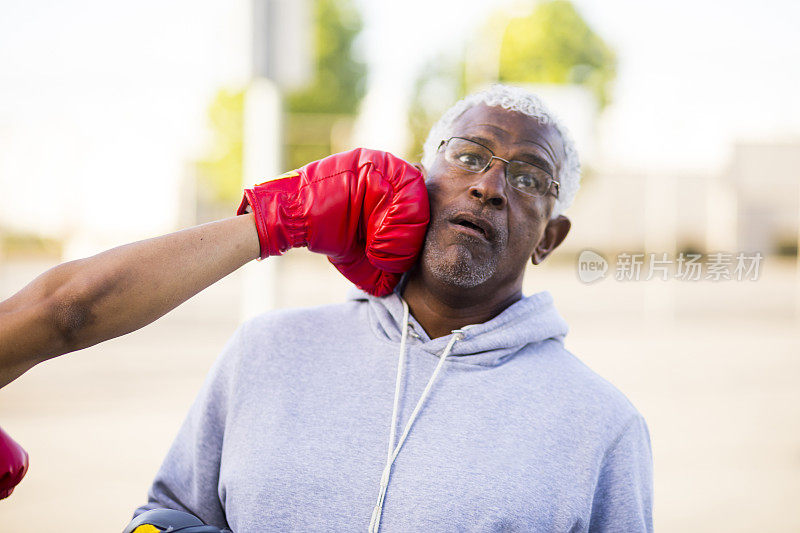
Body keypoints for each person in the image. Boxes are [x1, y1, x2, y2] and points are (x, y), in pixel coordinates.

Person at [130, 84, 653, 533]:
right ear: (418, 178)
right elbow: (166, 513)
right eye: (469, 156)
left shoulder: (602, 424)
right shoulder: (265, 349)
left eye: (529, 178)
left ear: (550, 238)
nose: (489, 186)